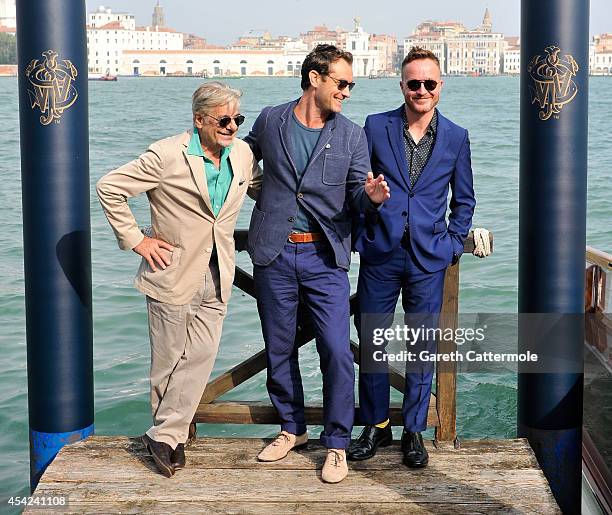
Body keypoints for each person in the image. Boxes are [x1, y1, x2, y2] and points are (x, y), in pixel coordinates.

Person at [96, 81, 262, 477]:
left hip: (220, 272)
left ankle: (165, 434)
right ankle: (170, 435)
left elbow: (264, 190)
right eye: (224, 120)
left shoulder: (241, 154)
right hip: (171, 272)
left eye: (237, 119)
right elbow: (110, 188)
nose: (233, 127)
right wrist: (137, 240)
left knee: (201, 356)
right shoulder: (166, 154)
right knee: (168, 362)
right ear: (199, 120)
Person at [244, 44, 390, 483]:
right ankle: (292, 429)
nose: (347, 91)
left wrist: (373, 198)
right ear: (314, 78)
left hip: (324, 256)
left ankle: (338, 443)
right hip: (273, 251)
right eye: (341, 83)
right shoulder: (270, 119)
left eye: (350, 85)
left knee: (336, 350)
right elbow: (236, 160)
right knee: (279, 346)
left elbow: (356, 196)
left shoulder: (351, 135)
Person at [349, 47, 476, 468]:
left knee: (422, 347)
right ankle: (375, 424)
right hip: (380, 254)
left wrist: (454, 244)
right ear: (401, 85)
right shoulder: (375, 126)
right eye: (413, 83)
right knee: (372, 343)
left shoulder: (456, 136)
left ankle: (415, 430)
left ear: (441, 87)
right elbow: (357, 188)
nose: (421, 90)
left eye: (429, 83)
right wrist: (367, 207)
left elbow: (464, 201)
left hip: (429, 258)